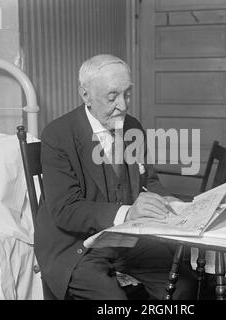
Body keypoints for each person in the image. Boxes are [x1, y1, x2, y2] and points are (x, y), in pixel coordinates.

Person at [36, 54, 196, 300]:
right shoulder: (57, 135)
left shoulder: (131, 127)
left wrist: (171, 203)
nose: (123, 104)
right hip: (77, 247)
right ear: (85, 94)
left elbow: (148, 181)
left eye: (127, 93)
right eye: (112, 96)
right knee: (113, 301)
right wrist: (127, 213)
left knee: (183, 285)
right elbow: (65, 209)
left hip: (126, 239)